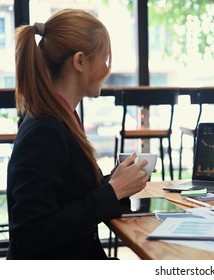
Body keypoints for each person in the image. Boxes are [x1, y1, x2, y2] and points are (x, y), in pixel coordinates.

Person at [7, 9, 152, 259]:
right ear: (80, 61)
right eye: (105, 59)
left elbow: (68, 196)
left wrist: (117, 182)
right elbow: (31, 236)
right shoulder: (44, 130)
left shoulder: (61, 118)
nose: (107, 70)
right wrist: (113, 190)